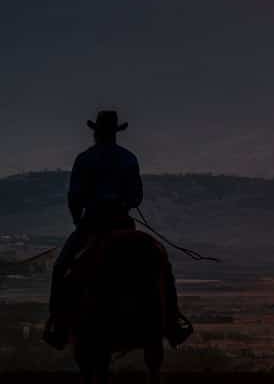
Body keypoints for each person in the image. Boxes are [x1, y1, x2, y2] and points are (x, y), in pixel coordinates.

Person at [44, 109, 192, 349]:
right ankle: (173, 324)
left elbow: (75, 196)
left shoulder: (85, 159)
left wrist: (76, 220)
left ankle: (57, 327)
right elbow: (136, 196)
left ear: (96, 133)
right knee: (162, 266)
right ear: (116, 133)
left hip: (92, 223)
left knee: (61, 267)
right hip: (123, 221)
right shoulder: (128, 158)